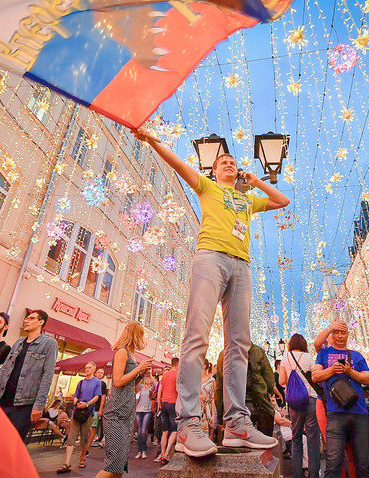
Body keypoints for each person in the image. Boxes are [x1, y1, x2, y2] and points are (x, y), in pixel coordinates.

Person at [134, 128, 288, 457]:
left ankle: (236, 424)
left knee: (239, 345)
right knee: (197, 335)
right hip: (211, 259)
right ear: (214, 171)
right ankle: (188, 422)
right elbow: (178, 164)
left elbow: (282, 200)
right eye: (223, 162)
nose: (229, 164)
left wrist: (255, 180)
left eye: (233, 161)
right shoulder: (207, 188)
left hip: (242, 265)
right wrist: (152, 140)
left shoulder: (247, 199)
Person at [311, 321, 369, 478]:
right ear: (331, 334)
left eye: (343, 332)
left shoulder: (357, 355)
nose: (339, 335)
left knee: (362, 463)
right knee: (333, 462)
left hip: (359, 412)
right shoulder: (324, 354)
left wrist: (350, 371)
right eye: (336, 332)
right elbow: (315, 376)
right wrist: (332, 370)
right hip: (335, 413)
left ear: (347, 335)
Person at [94, 322, 152, 478]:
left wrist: (141, 373)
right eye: (141, 334)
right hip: (116, 414)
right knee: (112, 464)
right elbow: (118, 381)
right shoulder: (122, 352)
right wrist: (138, 368)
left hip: (126, 413)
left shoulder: (132, 354)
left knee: (119, 464)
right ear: (135, 335)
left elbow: (131, 385)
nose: (143, 338)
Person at [0, 309, 58, 442]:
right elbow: (4, 370)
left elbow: (47, 375)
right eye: (26, 318)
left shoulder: (49, 343)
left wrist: (39, 404)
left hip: (24, 405)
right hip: (3, 401)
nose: (26, 320)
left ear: (41, 322)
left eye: (31, 318)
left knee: (12, 445)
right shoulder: (18, 343)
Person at [278, 333, 321, 478]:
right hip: (310, 399)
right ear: (303, 344)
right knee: (312, 439)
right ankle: (313, 474)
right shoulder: (308, 357)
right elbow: (316, 377)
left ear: (290, 344)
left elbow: (282, 381)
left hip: (294, 401)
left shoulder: (285, 358)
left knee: (296, 439)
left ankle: (297, 474)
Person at [214, 343, 277, 438]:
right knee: (264, 445)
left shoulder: (224, 355)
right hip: (260, 407)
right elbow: (270, 382)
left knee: (236, 446)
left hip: (233, 410)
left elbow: (219, 389)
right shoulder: (258, 351)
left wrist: (220, 417)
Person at [58, 362, 103, 473]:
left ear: (94, 369)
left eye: (89, 368)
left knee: (84, 438)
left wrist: (86, 404)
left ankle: (82, 457)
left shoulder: (97, 382)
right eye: (86, 368)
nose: (87, 369)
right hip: (77, 412)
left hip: (88, 413)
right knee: (71, 437)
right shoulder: (81, 382)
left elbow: (97, 397)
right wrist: (77, 403)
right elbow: (76, 395)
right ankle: (67, 463)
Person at [156, 358, 179, 464]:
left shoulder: (165, 375)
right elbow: (179, 390)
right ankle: (166, 454)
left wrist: (159, 403)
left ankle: (163, 453)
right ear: (178, 364)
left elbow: (159, 390)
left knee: (164, 431)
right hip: (173, 403)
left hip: (164, 403)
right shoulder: (178, 375)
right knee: (174, 430)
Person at [135, 375, 154, 459]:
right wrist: (141, 374)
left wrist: (151, 374)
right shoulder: (141, 388)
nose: (148, 379)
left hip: (147, 411)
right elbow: (135, 382)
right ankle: (139, 450)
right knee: (139, 431)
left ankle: (144, 451)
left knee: (143, 431)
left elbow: (156, 384)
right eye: (147, 378)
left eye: (149, 378)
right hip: (138, 410)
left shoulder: (152, 388)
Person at [200, 362, 216, 439]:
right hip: (195, 408)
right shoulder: (195, 378)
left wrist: (213, 415)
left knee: (204, 435)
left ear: (204, 366)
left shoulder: (211, 381)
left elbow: (213, 399)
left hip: (205, 410)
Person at [93, 367, 108, 446]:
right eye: (98, 372)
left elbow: (103, 397)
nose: (100, 374)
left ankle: (92, 438)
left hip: (97, 406)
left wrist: (101, 409)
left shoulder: (103, 384)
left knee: (94, 424)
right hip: (89, 406)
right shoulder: (91, 382)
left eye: (102, 373)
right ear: (95, 373)